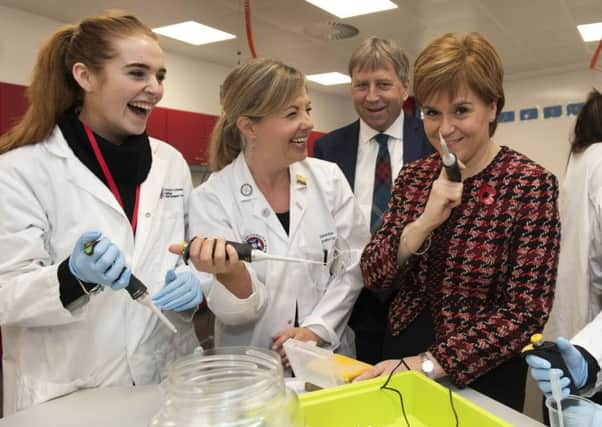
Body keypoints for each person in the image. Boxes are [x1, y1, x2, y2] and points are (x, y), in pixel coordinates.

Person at [0, 11, 203, 414]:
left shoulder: (171, 162)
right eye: (137, 73)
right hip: (70, 393)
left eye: (160, 76)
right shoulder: (21, 169)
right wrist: (70, 276)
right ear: (85, 77)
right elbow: (5, 292)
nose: (155, 89)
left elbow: (189, 249)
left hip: (164, 379)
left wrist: (196, 280)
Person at [355, 32, 560, 411]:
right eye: (432, 113)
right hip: (401, 352)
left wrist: (430, 364)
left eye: (461, 111)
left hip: (482, 370)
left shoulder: (529, 184)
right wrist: (420, 227)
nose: (444, 129)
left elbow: (526, 312)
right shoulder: (415, 178)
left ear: (493, 107)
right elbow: (373, 274)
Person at [172, 58, 369, 363]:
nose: (308, 123)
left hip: (330, 357)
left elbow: (354, 266)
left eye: (308, 109)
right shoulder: (213, 197)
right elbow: (234, 312)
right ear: (249, 127)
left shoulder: (328, 179)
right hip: (253, 363)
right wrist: (232, 272)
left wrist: (316, 331)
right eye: (292, 113)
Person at [313, 37, 434, 364]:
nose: (371, 96)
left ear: (405, 88)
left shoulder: (432, 140)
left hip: (418, 300)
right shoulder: (327, 150)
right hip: (352, 302)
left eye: (383, 84)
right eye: (361, 85)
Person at [527, 88, 602, 415]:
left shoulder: (580, 160)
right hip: (588, 320)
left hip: (570, 322)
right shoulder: (601, 159)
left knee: (560, 405)